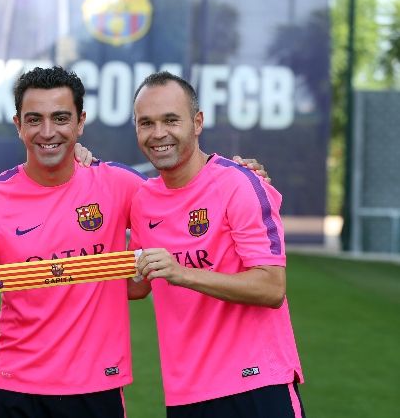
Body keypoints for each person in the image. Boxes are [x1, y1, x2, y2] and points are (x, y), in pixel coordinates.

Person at [0, 66, 149, 417]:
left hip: (98, 388)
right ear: (18, 124)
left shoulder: (118, 184)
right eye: (35, 119)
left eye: (61, 118)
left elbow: (187, 200)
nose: (48, 132)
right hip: (16, 389)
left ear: (80, 123)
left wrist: (242, 174)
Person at [129, 71, 305, 417]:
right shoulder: (143, 200)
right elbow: (137, 286)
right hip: (187, 393)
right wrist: (48, 275)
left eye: (170, 120)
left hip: (257, 385)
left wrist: (182, 273)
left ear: (197, 122)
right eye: (146, 123)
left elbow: (271, 287)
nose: (158, 133)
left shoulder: (239, 184)